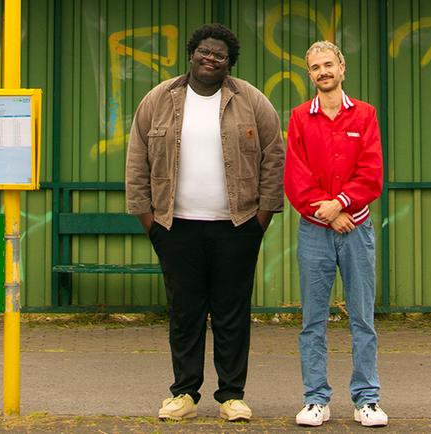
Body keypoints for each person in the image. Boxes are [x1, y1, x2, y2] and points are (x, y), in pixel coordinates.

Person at [125, 23, 285, 422]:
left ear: (229, 63)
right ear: (191, 53)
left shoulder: (252, 101)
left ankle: (232, 396)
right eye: (204, 51)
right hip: (176, 227)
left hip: (237, 226)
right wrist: (151, 223)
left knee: (232, 313)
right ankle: (184, 393)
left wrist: (259, 220)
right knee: (185, 312)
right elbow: (136, 161)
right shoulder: (158, 100)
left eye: (220, 55)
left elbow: (274, 157)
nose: (210, 59)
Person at [284, 40, 387, 427]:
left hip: (357, 229)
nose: (323, 72)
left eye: (329, 64)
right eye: (315, 67)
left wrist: (342, 204)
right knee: (313, 320)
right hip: (315, 232)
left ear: (342, 67)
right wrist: (327, 214)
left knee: (362, 317)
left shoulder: (364, 115)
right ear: (309, 74)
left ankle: (367, 399)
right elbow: (296, 176)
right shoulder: (299, 118)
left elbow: (371, 173)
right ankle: (315, 399)